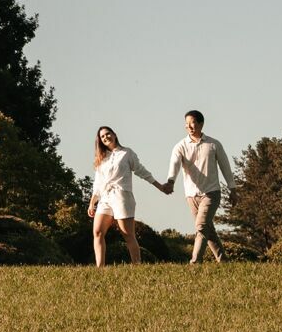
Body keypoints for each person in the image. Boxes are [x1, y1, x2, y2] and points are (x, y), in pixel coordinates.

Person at [89, 124, 169, 266]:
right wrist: (92, 202)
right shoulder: (101, 158)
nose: (105, 137)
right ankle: (99, 268)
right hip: (105, 198)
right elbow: (98, 183)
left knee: (127, 234)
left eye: (107, 134)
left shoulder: (126, 153)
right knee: (97, 232)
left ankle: (136, 265)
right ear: (100, 141)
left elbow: (141, 171)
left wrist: (159, 186)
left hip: (122, 196)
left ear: (114, 134)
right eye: (102, 136)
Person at [167, 109, 237, 263]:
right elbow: (174, 165)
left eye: (192, 122)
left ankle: (195, 262)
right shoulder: (180, 146)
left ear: (201, 123)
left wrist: (232, 189)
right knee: (207, 230)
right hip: (191, 195)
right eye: (186, 124)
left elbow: (225, 167)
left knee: (200, 226)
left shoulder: (213, 144)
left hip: (211, 193)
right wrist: (170, 181)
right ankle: (223, 260)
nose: (189, 126)